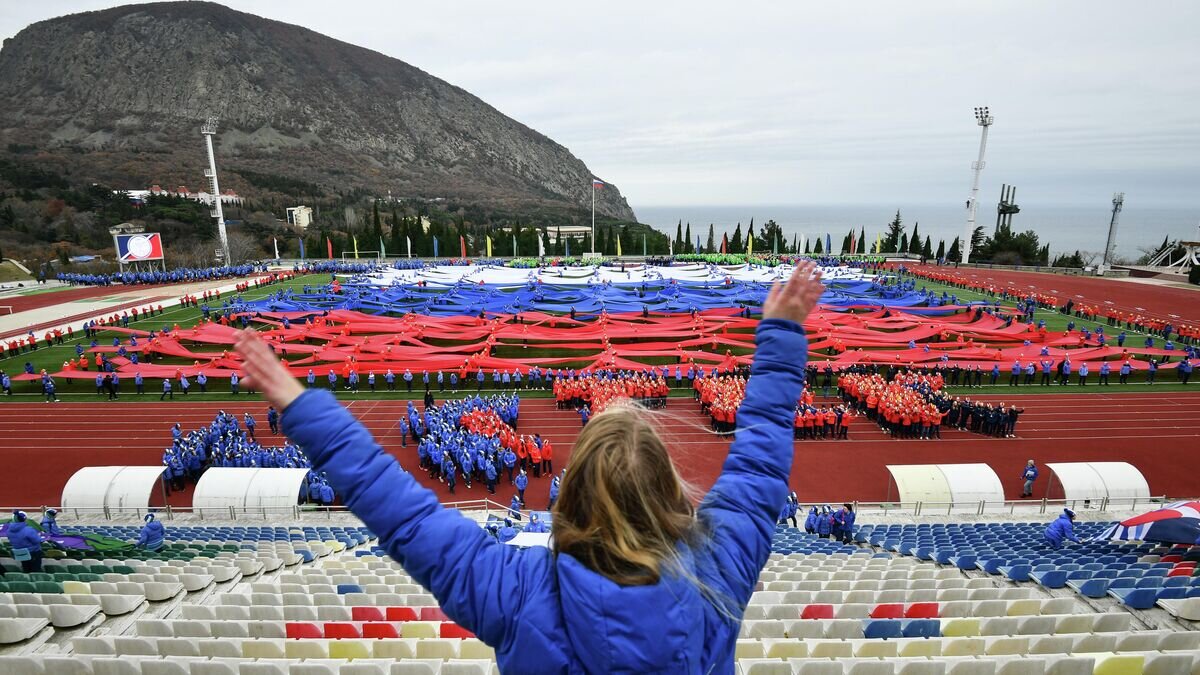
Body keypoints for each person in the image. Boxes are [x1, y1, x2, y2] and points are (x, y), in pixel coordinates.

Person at [232, 261, 824, 672]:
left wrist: (302, 406)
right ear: (671, 492)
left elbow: (399, 511)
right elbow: (760, 462)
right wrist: (781, 337)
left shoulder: (515, 593)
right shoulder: (719, 573)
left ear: (571, 497)